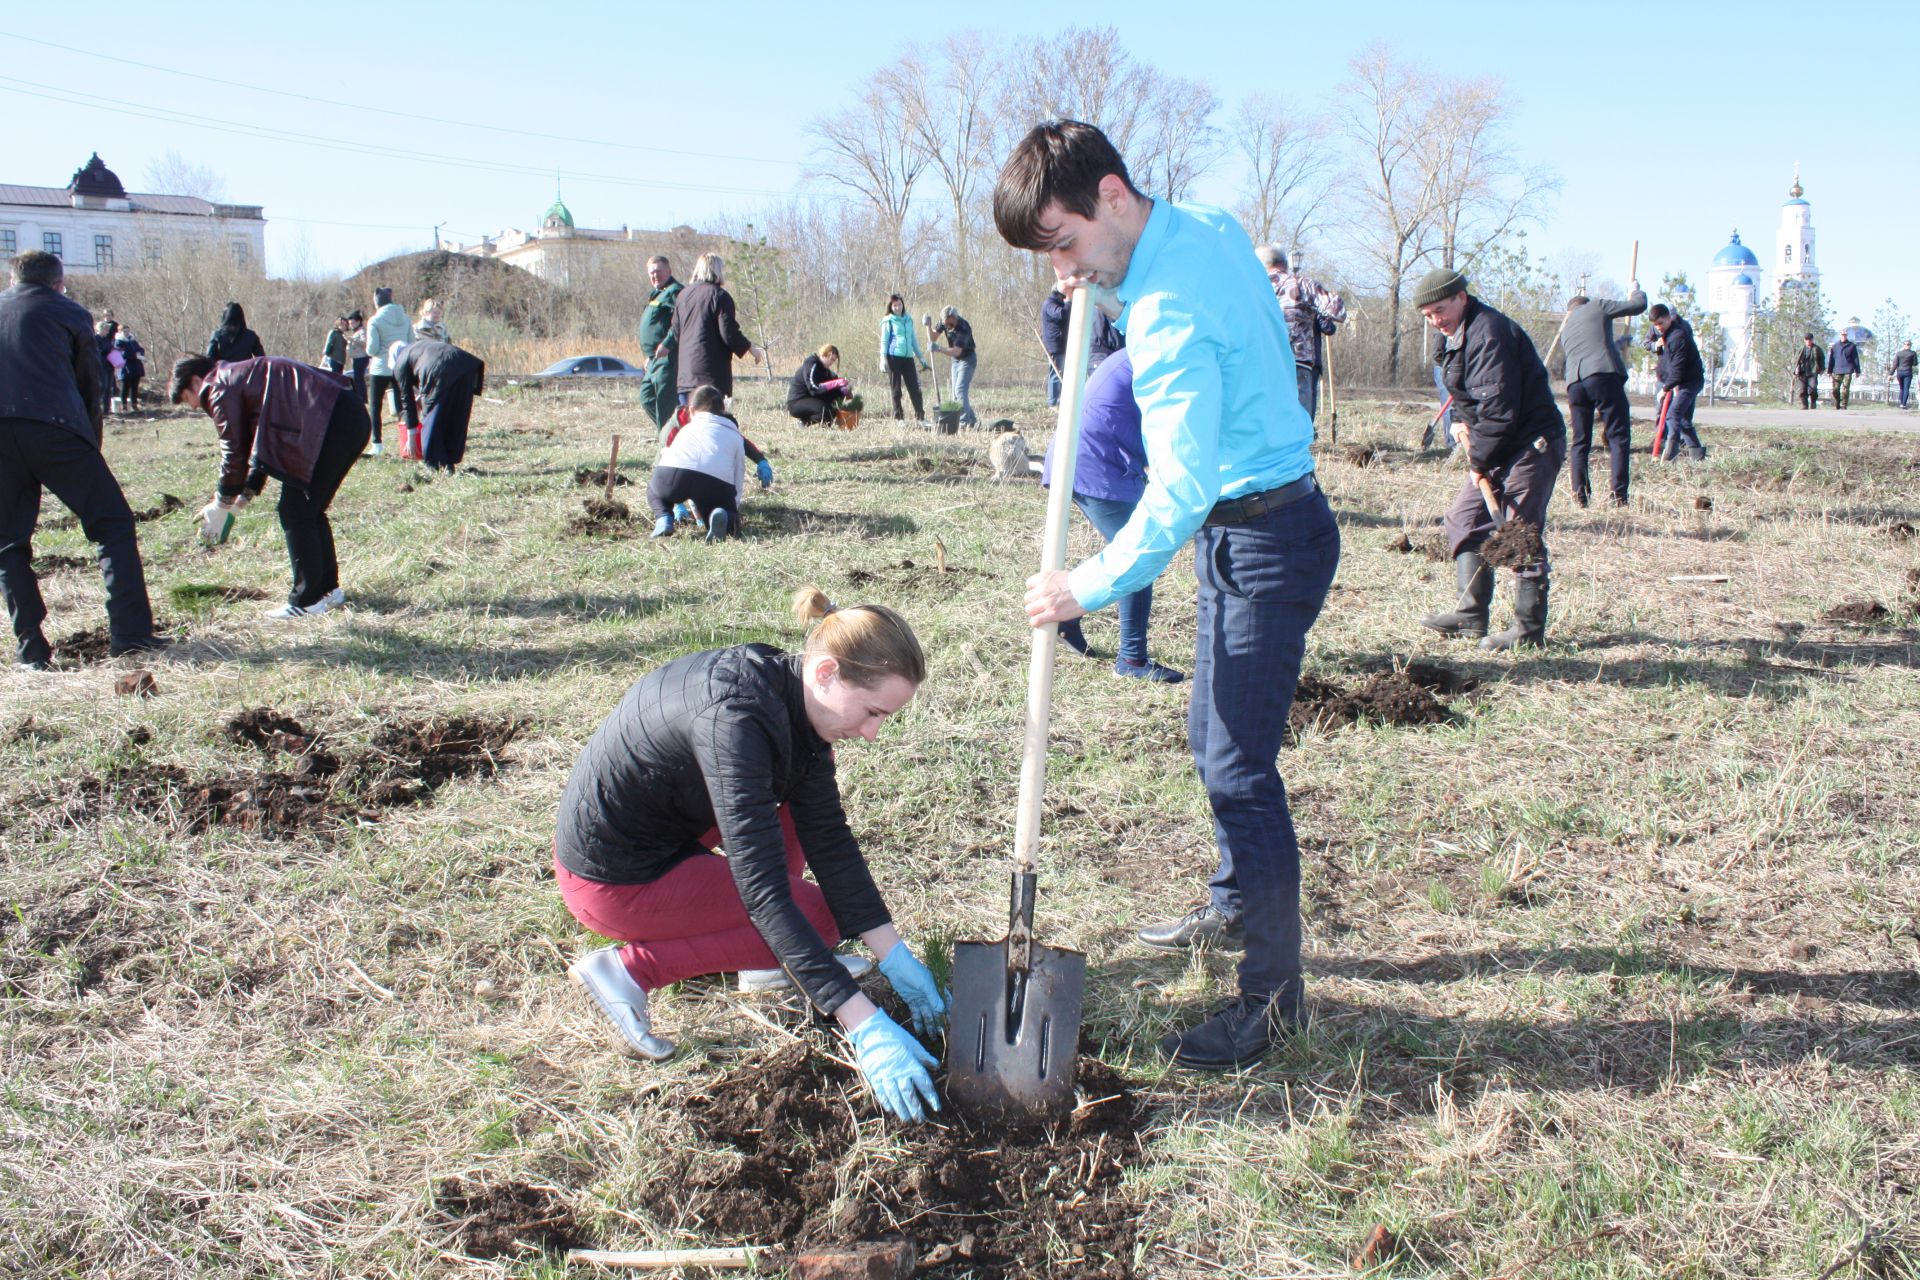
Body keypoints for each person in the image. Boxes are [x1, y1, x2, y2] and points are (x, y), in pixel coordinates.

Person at [995, 119, 1339, 1070]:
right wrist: (1093, 282)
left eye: (1063, 243)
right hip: (1263, 524)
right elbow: (1133, 276)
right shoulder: (1204, 227)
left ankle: (1272, 1002)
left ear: (1111, 194)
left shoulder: (1168, 316)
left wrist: (1085, 587)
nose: (1062, 266)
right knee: (1210, 737)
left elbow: (1177, 491)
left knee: (1237, 770)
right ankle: (1235, 900)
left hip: (1260, 536)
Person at [555, 587, 947, 1121]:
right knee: (814, 918)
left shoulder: (788, 694)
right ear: (828, 671)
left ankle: (764, 963)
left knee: (799, 824)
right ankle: (627, 972)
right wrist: (863, 1023)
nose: (872, 733)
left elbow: (828, 837)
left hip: (671, 833)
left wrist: (893, 952)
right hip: (613, 881)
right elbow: (762, 891)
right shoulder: (736, 721)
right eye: (872, 711)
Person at [0, 250, 162, 669]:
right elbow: (91, 387)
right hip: (57, 430)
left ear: (12, 278)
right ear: (58, 282)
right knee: (112, 524)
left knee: (8, 543)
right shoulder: (69, 312)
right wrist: (93, 444)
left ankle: (31, 652)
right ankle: (130, 637)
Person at [1414, 268, 1566, 651]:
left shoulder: (1489, 334)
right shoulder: (1454, 336)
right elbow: (1469, 397)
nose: (1436, 320)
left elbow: (1498, 410)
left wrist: (1477, 460)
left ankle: (1528, 630)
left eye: (1440, 310)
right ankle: (1471, 615)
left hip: (1530, 444)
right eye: (1428, 315)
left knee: (1520, 532)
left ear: (1461, 297)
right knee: (1463, 519)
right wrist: (1462, 424)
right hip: (1495, 443)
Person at [168, 353, 369, 619]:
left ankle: (307, 601)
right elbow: (260, 445)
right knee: (309, 509)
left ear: (195, 382)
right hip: (347, 415)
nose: (194, 406)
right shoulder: (240, 375)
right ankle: (327, 591)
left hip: (330, 422)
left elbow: (234, 451)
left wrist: (221, 502)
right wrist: (241, 500)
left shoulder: (218, 386)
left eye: (186, 399)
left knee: (295, 510)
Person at [1041, 349, 1183, 682]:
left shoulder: (1144, 347)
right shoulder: (1163, 354)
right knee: (1137, 556)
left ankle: (1068, 616)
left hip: (1086, 455)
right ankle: (1131, 660)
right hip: (1093, 460)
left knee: (1125, 548)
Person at [1560, 283, 1646, 507]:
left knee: (1580, 442)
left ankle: (1580, 495)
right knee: (1618, 437)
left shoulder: (1567, 328)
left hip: (1575, 384)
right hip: (1602, 376)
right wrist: (1636, 289)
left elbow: (1594, 345)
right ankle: (1618, 497)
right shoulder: (1597, 306)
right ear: (1585, 303)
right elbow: (1638, 305)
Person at [648, 384, 752, 541]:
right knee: (725, 516)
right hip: (713, 483)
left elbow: (667, 455)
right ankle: (722, 517)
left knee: (654, 491)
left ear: (691, 410)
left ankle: (663, 518)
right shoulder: (734, 435)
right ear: (723, 410)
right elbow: (739, 472)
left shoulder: (686, 429)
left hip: (671, 475)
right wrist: (732, 507)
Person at [1256, 246, 1346, 422]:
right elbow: (1338, 311)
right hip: (1296, 363)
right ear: (1284, 263)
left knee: (1266, 426)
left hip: (1259, 364)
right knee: (1298, 425)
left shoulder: (1251, 289)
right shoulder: (1301, 284)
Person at [670, 253, 758, 404]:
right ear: (718, 271)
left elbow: (675, 333)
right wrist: (750, 347)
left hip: (686, 377)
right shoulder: (720, 296)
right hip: (711, 376)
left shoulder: (683, 295)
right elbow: (728, 333)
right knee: (711, 423)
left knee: (690, 424)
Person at [392, 337, 485, 472]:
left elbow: (406, 400)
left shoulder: (400, 362)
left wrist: (411, 435)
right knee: (457, 414)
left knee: (433, 419)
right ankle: (449, 461)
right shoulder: (419, 347)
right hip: (467, 366)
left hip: (441, 369)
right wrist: (422, 398)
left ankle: (434, 463)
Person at [1040, 283, 1122, 407]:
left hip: (1062, 343)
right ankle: (1053, 401)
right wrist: (1069, 302)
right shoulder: (1049, 304)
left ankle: (1061, 399)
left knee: (1063, 372)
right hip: (1055, 345)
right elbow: (1061, 314)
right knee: (1055, 373)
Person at [1648, 304, 1706, 460]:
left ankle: (1670, 454)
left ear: (1669, 318)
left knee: (1673, 415)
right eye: (1655, 325)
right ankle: (1698, 456)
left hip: (1690, 381)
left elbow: (1678, 369)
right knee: (1684, 420)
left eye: (1660, 323)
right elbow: (1667, 362)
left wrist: (1666, 388)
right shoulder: (1665, 334)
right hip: (1679, 381)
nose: (1658, 327)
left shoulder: (1677, 336)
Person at [637, 255, 683, 433]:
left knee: (665, 403)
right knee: (646, 396)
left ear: (669, 271)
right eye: (652, 272)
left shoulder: (675, 291)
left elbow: (680, 322)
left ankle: (668, 444)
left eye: (659, 271)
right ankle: (671, 433)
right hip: (653, 359)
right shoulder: (657, 293)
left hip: (668, 357)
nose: (655, 275)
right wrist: (648, 356)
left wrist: (668, 344)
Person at [365, 286, 412, 456]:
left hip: (380, 368)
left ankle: (377, 444)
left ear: (377, 303)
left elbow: (372, 349)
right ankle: (407, 441)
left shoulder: (374, 321)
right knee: (404, 404)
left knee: (376, 406)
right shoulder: (406, 318)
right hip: (400, 366)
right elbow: (411, 343)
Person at [879, 294, 930, 422]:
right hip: (893, 358)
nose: (898, 307)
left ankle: (921, 418)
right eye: (895, 305)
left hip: (908, 358)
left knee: (915, 388)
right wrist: (882, 359)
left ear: (903, 305)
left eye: (900, 304)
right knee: (896, 390)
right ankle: (899, 418)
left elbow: (913, 341)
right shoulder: (888, 320)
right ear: (891, 307)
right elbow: (884, 341)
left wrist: (921, 358)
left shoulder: (908, 320)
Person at [932, 305, 978, 427]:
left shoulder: (964, 327)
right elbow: (933, 337)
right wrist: (927, 326)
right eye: (945, 324)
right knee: (955, 394)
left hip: (967, 360)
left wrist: (939, 348)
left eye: (950, 324)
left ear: (954, 318)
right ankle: (972, 419)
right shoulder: (944, 321)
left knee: (960, 390)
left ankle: (963, 421)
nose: (947, 327)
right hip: (955, 361)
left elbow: (957, 351)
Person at [787, 344, 851, 425]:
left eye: (834, 361)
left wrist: (843, 391)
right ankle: (804, 422)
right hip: (797, 401)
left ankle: (826, 423)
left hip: (812, 400)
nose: (832, 363)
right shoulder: (812, 364)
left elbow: (830, 390)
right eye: (831, 359)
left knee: (833, 408)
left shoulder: (826, 371)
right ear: (824, 355)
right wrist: (835, 383)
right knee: (824, 410)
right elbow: (814, 389)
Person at [114, 326, 146, 413]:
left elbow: (140, 349)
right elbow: (121, 354)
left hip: (136, 366)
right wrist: (134, 355)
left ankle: (134, 404)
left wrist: (140, 353)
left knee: (135, 387)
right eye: (125, 331)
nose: (127, 333)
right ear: (120, 332)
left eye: (128, 331)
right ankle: (124, 405)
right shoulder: (118, 342)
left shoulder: (132, 340)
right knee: (125, 387)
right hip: (126, 367)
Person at [1827, 328, 1860, 410]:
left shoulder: (1852, 346)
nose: (1844, 336)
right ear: (1840, 335)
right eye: (1842, 335)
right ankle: (1837, 403)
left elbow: (1855, 359)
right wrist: (1829, 371)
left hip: (1848, 370)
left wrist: (1857, 370)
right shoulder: (1835, 346)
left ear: (1847, 335)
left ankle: (1844, 405)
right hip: (1837, 370)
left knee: (1845, 389)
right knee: (1835, 389)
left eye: (1845, 335)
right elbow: (1831, 359)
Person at [94, 319, 121, 420]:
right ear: (100, 329)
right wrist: (108, 350)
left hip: (110, 365)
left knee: (109, 388)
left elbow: (110, 348)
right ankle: (97, 409)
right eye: (105, 329)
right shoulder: (95, 339)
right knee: (103, 387)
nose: (107, 332)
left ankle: (106, 409)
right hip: (101, 365)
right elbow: (97, 351)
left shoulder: (106, 339)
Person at [345, 310, 369, 404]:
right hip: (356, 358)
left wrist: (352, 340)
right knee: (358, 378)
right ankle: (361, 398)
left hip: (361, 358)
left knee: (359, 379)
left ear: (358, 322)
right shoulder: (356, 332)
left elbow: (365, 343)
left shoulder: (362, 331)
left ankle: (362, 398)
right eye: (350, 323)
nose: (351, 325)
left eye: (352, 323)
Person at [1794, 333, 1824, 410]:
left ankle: (1813, 402)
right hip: (1802, 372)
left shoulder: (1817, 349)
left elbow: (1822, 360)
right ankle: (1804, 405)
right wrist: (1796, 369)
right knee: (1802, 390)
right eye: (1806, 339)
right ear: (1804, 340)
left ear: (1812, 340)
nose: (1808, 341)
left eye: (1810, 339)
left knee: (1813, 388)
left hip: (1813, 371)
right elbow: (1796, 360)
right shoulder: (1801, 349)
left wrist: (1821, 369)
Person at [1892, 340, 1917, 410]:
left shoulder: (1899, 353)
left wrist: (1891, 373)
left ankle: (1901, 403)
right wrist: (1910, 362)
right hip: (1908, 372)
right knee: (1906, 388)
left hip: (1900, 372)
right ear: (1910, 345)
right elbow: (1915, 363)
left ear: (1904, 345)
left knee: (1901, 388)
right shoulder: (1913, 353)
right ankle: (1903, 404)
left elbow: (1895, 364)